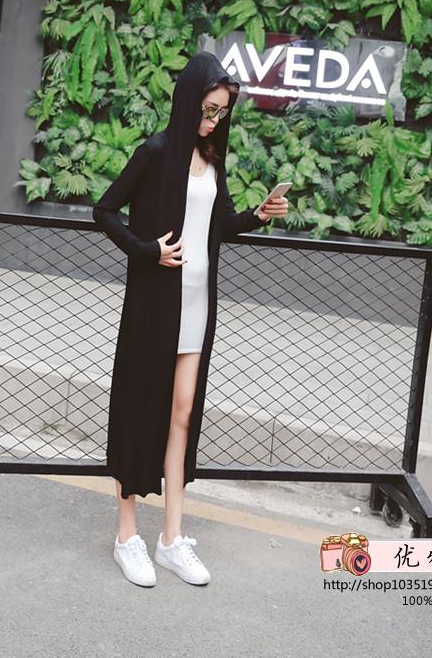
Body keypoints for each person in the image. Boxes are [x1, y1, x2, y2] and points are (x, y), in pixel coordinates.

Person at [92, 52, 288, 587]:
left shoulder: (211, 160)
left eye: (222, 113)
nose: (214, 121)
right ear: (188, 101)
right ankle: (126, 537)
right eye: (208, 110)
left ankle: (171, 539)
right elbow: (104, 210)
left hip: (198, 306)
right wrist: (147, 250)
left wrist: (259, 214)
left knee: (182, 414)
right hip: (155, 306)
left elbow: (219, 224)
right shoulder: (155, 152)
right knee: (141, 412)